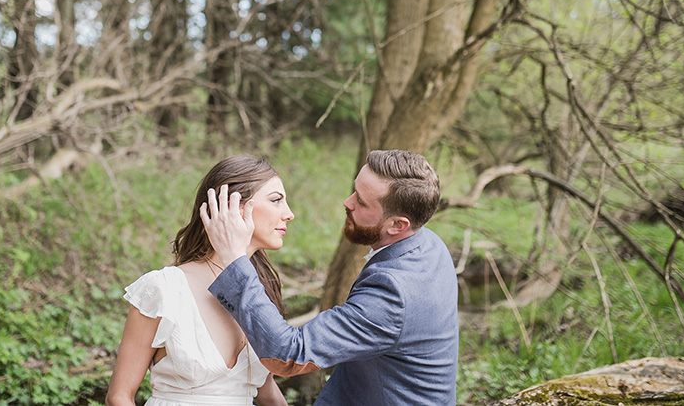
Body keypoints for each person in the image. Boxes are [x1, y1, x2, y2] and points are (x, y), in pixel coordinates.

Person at [201, 149, 458, 405]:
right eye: (355, 190)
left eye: (362, 201)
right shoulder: (428, 243)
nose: (348, 202)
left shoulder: (393, 294)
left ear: (397, 225)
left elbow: (290, 354)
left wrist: (235, 258)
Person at [105, 155, 294, 406]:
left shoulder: (259, 293)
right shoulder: (163, 289)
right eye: (276, 200)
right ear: (234, 206)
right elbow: (119, 397)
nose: (289, 214)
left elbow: (264, 389)